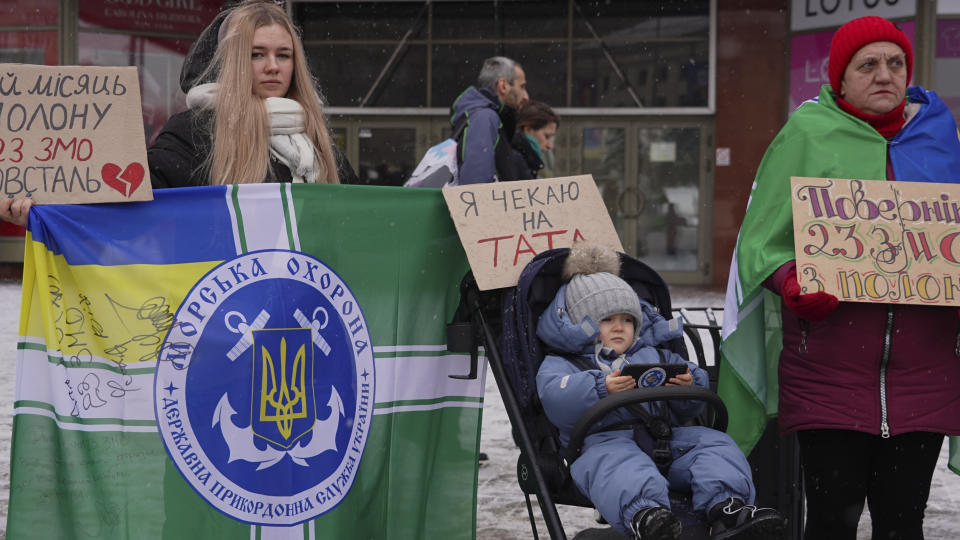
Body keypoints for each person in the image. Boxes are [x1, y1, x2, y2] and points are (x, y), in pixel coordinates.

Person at [729, 16, 960, 539]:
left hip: (925, 372)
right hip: (828, 369)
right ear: (840, 77)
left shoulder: (941, 135)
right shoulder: (806, 134)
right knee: (832, 520)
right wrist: (790, 280)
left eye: (896, 63)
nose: (885, 74)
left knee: (904, 523)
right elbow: (760, 238)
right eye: (869, 64)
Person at [536, 244, 785, 540]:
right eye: (607, 320)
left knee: (714, 445)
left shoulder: (654, 354)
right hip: (602, 442)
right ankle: (646, 515)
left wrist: (690, 386)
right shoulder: (563, 362)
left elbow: (688, 394)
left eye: (627, 319)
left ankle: (727, 507)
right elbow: (555, 397)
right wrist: (599, 387)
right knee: (617, 465)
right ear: (581, 324)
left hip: (665, 439)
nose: (619, 327)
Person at [147, 0, 357, 187]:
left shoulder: (315, 135)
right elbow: (137, 194)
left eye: (283, 55)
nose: (273, 66)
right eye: (257, 54)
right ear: (232, 62)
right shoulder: (196, 132)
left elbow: (354, 217)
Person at [450, 56, 531, 184]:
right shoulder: (485, 118)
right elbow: (475, 185)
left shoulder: (485, 117)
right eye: (522, 87)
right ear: (503, 85)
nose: (526, 96)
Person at [513, 100, 559, 178]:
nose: (550, 145)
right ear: (528, 129)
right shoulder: (515, 161)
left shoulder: (524, 162)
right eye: (546, 136)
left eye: (552, 138)